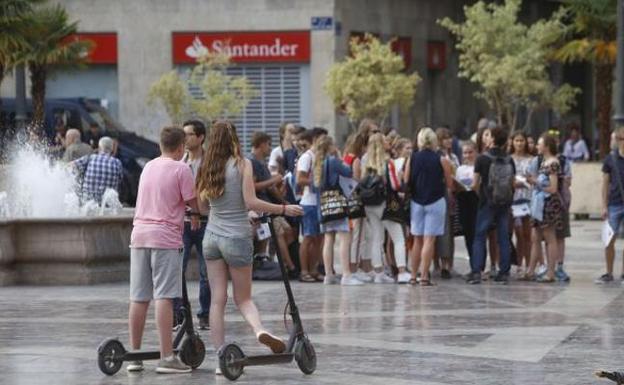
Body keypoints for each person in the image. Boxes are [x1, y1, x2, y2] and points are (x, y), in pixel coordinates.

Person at [195, 121, 303, 375]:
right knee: (243, 298)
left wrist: (218, 212)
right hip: (237, 236)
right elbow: (250, 200)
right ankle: (259, 330)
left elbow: (201, 208)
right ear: (234, 138)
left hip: (211, 237)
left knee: (217, 301)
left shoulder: (205, 167)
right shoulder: (242, 164)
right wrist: (284, 208)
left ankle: (221, 359)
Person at [127, 126, 201, 374]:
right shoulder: (182, 168)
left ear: (161, 146)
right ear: (181, 148)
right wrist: (198, 213)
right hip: (165, 238)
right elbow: (194, 203)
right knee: (164, 297)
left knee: (138, 297)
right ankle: (167, 357)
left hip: (139, 235)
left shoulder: (148, 166)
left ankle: (134, 356)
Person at [173, 120, 211, 331]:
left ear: (201, 137)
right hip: (184, 223)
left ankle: (205, 314)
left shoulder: (210, 162)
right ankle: (178, 313)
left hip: (206, 221)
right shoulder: (180, 161)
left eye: (189, 134)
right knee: (178, 268)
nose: (185, 138)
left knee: (207, 272)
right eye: (183, 134)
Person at [404, 128, 453, 286]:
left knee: (417, 239)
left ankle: (413, 275)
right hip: (436, 201)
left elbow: (406, 180)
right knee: (429, 240)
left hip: (417, 201)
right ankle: (424, 276)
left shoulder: (412, 158)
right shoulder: (441, 159)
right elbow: (449, 183)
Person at [466, 126, 515, 285]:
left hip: (486, 202)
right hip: (505, 202)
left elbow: (474, 184)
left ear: (493, 139)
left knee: (479, 236)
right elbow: (512, 183)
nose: (485, 138)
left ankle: (476, 272)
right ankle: (504, 272)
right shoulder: (509, 159)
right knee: (503, 237)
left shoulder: (482, 159)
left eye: (488, 136)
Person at [314, 135, 362, 285]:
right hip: (337, 204)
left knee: (329, 239)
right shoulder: (333, 161)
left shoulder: (317, 163)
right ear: (330, 147)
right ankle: (346, 274)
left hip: (325, 206)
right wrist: (340, 157)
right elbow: (348, 172)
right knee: (344, 238)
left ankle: (329, 275)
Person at [248, 131, 297, 274]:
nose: (270, 148)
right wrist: (273, 180)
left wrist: (283, 202)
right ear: (262, 144)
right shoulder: (251, 162)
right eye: (269, 145)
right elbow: (252, 186)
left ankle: (274, 260)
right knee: (279, 233)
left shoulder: (261, 162)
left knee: (288, 232)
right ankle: (289, 267)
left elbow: (271, 187)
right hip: (261, 207)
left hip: (270, 206)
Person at [362, 133, 407, 284]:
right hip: (384, 204)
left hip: (369, 205)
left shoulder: (366, 164)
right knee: (399, 238)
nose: (388, 142)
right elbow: (395, 185)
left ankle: (378, 273)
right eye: (386, 141)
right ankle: (401, 272)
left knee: (377, 238)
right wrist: (400, 178)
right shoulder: (388, 163)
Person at [524, 134, 563, 283]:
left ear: (547, 146)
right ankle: (530, 270)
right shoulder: (543, 162)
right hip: (538, 204)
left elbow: (553, 188)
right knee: (535, 237)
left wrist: (535, 181)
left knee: (550, 238)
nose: (537, 146)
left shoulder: (553, 163)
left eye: (539, 144)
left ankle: (551, 272)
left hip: (547, 205)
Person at [296, 128, 327, 282]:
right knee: (308, 237)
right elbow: (299, 179)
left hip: (320, 202)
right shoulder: (307, 157)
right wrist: (317, 181)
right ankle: (304, 271)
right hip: (308, 203)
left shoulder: (321, 157)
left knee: (319, 239)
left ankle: (314, 269)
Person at [597, 126, 624, 284]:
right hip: (614, 203)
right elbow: (605, 183)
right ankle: (608, 272)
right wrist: (604, 206)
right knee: (609, 239)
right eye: (619, 139)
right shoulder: (610, 159)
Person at [509, 131, 533, 278]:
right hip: (512, 198)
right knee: (516, 233)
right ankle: (518, 264)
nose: (519, 143)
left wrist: (527, 181)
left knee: (527, 234)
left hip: (527, 198)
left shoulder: (532, 159)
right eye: (516, 140)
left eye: (521, 140)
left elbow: (534, 177)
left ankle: (529, 264)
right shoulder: (509, 159)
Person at [73, 136, 123, 204]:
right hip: (106, 205)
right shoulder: (117, 163)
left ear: (99, 148)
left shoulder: (90, 158)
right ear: (112, 149)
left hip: (88, 204)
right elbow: (119, 180)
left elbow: (70, 166)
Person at [455, 142, 479, 267]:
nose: (468, 155)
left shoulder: (478, 167)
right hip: (463, 201)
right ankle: (473, 265)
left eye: (470, 152)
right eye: (465, 152)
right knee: (468, 234)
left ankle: (479, 265)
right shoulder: (460, 169)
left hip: (476, 200)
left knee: (477, 235)